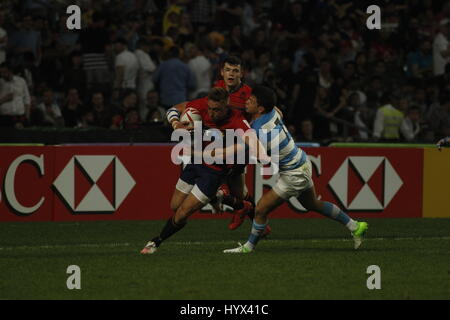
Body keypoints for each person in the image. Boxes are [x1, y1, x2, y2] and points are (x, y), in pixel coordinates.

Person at [223, 86, 368, 253]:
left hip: (294, 173)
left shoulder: (260, 132)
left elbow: (245, 151)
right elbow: (278, 112)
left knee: (261, 208)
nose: (246, 101)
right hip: (301, 162)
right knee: (312, 204)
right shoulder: (273, 112)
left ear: (260, 108)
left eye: (251, 100)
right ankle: (355, 226)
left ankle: (248, 248)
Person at [140, 87, 256, 254]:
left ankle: (155, 242)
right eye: (210, 109)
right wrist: (176, 124)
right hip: (196, 162)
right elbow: (172, 110)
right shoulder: (200, 104)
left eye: (217, 110)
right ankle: (235, 203)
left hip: (213, 173)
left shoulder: (237, 120)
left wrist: (228, 153)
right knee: (174, 206)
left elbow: (251, 142)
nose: (211, 113)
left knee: (182, 213)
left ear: (227, 105)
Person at [166, 56, 264, 231]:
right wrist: (177, 122)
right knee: (239, 193)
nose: (231, 74)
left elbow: (265, 113)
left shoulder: (249, 94)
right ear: (222, 72)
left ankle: (232, 204)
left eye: (235, 70)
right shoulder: (216, 90)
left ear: (242, 73)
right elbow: (187, 107)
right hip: (215, 146)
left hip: (237, 149)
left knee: (224, 187)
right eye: (227, 70)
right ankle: (258, 222)